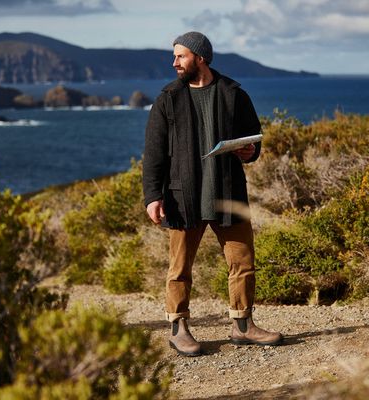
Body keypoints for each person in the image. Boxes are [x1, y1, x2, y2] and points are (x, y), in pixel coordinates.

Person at [142, 31, 283, 357]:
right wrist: (152, 197)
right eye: (175, 56)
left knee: (242, 262)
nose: (174, 62)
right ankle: (178, 328)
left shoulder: (234, 94)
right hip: (183, 197)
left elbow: (253, 139)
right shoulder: (167, 99)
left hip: (228, 194)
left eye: (180, 56)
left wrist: (250, 151)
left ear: (200, 58)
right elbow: (154, 154)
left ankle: (243, 325)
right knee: (179, 268)